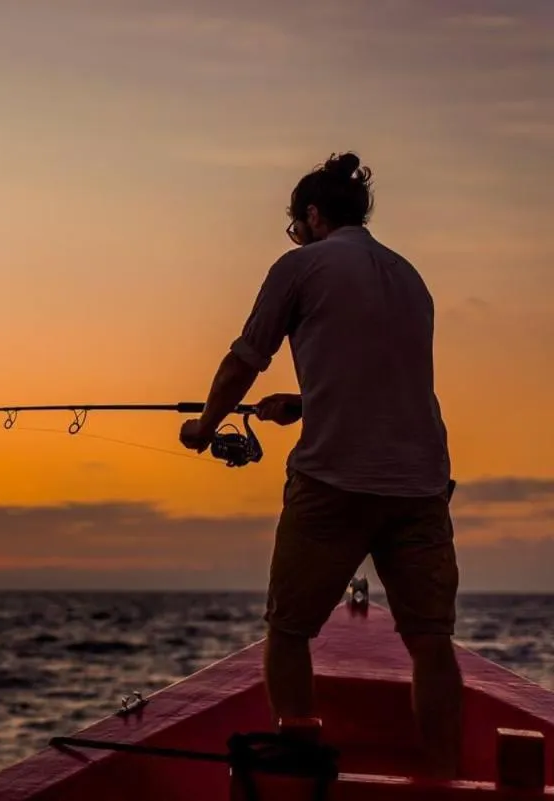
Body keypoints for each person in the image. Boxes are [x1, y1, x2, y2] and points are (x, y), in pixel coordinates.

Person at [178, 152, 463, 778]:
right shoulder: (410, 278)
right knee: (431, 643)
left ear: (311, 215)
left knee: (288, 631)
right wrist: (305, 404)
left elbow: (243, 362)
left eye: (296, 224)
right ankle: (446, 781)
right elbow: (383, 378)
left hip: (333, 482)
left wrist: (204, 427)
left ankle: (301, 780)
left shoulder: (299, 267)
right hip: (421, 484)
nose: (296, 235)